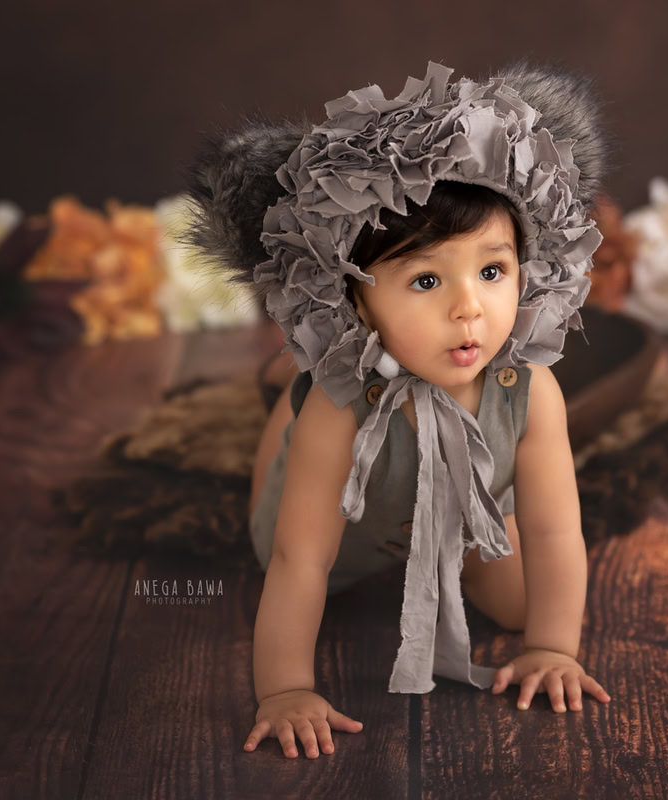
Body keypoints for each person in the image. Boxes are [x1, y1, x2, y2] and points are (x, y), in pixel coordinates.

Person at [184, 60, 615, 760]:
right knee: (282, 508)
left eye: (492, 270)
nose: (469, 307)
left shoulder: (530, 390)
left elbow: (556, 530)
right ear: (355, 298)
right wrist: (284, 689)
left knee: (518, 606)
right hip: (350, 536)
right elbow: (299, 559)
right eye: (424, 279)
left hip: (462, 523)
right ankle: (278, 400)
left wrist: (551, 647)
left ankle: (465, 515)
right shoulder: (341, 405)